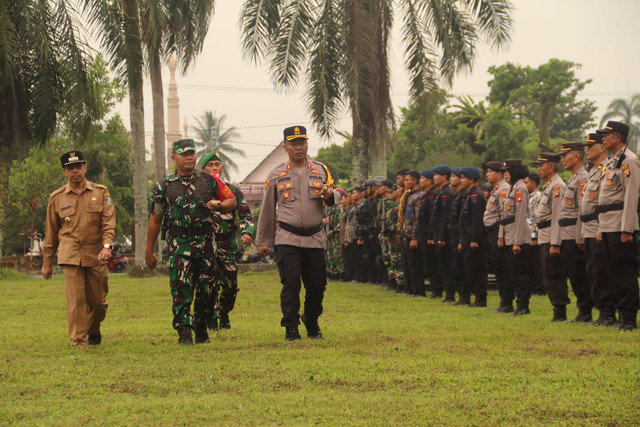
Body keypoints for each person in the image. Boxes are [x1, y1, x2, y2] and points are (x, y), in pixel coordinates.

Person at [146, 139, 236, 345]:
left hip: (205, 242)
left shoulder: (210, 181)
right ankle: (184, 330)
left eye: (192, 153)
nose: (189, 157)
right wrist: (148, 251)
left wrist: (219, 205)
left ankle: (201, 325)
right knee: (181, 287)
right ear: (174, 158)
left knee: (207, 288)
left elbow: (231, 201)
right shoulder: (164, 186)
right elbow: (155, 219)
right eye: (184, 154)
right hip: (179, 244)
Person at [255, 125, 341, 341]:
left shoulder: (320, 170)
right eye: (293, 143)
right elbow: (266, 209)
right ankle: (291, 327)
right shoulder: (276, 175)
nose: (298, 147)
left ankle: (311, 320)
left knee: (317, 286)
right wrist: (263, 241)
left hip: (314, 238)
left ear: (307, 144)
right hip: (287, 237)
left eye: (302, 142)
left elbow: (332, 198)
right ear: (285, 147)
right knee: (291, 283)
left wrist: (330, 194)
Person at [42, 151, 116, 348]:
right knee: (76, 301)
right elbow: (51, 232)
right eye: (70, 168)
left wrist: (107, 246)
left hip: (96, 253)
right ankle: (79, 341)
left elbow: (108, 222)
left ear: (85, 168)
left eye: (78, 166)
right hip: (70, 254)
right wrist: (47, 263)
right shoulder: (56, 198)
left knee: (99, 302)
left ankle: (93, 328)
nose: (75, 171)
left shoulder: (101, 192)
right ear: (64, 171)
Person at [201, 152, 256, 330]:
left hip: (227, 244)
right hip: (205, 243)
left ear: (222, 168)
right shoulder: (199, 192)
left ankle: (224, 311)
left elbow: (246, 213)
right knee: (208, 283)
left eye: (217, 164)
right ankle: (212, 317)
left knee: (230, 285)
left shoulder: (232, 191)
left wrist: (247, 232)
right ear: (203, 170)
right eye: (210, 165)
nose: (214, 168)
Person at [595, 121, 640, 330]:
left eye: (607, 135)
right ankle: (619, 313)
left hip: (620, 226)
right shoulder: (613, 161)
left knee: (624, 271)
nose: (603, 139)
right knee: (611, 271)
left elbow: (631, 196)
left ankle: (629, 317)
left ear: (618, 137)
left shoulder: (629, 160)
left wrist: (627, 228)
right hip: (607, 225)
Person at [556, 142, 591, 322]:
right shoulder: (573, 177)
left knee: (579, 273)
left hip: (575, 233)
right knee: (573, 273)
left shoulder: (583, 178)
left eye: (565, 155)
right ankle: (583, 309)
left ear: (576, 157)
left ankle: (585, 311)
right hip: (566, 233)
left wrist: (580, 235)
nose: (562, 159)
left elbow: (582, 210)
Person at [579, 133, 610, 325]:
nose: (587, 150)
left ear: (603, 147)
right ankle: (602, 311)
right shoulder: (592, 171)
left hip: (601, 226)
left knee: (602, 270)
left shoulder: (608, 168)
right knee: (592, 271)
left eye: (592, 146)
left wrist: (600, 229)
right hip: (589, 227)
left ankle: (608, 312)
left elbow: (603, 204)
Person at [533, 152, 568, 322]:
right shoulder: (548, 186)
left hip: (551, 237)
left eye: (541, 165)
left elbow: (557, 216)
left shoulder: (557, 186)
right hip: (544, 235)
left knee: (554, 273)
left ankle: (560, 310)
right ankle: (556, 307)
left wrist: (556, 242)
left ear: (551, 166)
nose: (538, 169)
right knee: (547, 273)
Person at [498, 163, 532, 315]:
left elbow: (520, 216)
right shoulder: (513, 188)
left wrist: (517, 241)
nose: (505, 174)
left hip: (517, 237)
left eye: (508, 171)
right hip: (509, 235)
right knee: (512, 272)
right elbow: (504, 216)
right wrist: (501, 236)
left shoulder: (520, 188)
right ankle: (517, 304)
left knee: (520, 274)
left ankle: (523, 306)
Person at [484, 161, 511, 312]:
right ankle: (504, 301)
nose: (487, 174)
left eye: (490, 172)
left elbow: (503, 215)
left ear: (499, 174)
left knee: (502, 267)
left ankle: (506, 302)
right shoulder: (497, 189)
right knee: (498, 267)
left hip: (498, 231)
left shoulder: (504, 189)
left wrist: (500, 235)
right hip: (492, 231)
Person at [458, 167, 487, 306]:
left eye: (463, 177)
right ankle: (474, 297)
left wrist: (474, 239)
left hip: (474, 239)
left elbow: (476, 219)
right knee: (469, 267)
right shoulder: (469, 195)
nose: (461, 180)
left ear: (471, 179)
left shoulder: (476, 196)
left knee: (477, 268)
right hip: (467, 237)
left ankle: (480, 299)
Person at [429, 165, 455, 302]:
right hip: (438, 233)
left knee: (446, 265)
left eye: (436, 175)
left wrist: (442, 237)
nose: (434, 178)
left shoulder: (446, 193)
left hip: (443, 235)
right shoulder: (441, 192)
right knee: (442, 265)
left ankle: (450, 294)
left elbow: (445, 217)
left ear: (444, 176)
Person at [402, 171, 426, 296]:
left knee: (416, 264)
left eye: (407, 180)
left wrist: (414, 237)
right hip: (407, 233)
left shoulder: (419, 196)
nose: (405, 182)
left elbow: (417, 218)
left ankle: (419, 290)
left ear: (415, 181)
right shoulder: (409, 195)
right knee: (408, 264)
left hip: (414, 235)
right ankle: (411, 288)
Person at [524, 173, 544, 296]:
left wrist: (535, 236)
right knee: (529, 263)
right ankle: (532, 287)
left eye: (527, 182)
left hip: (534, 234)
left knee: (536, 263)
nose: (525, 185)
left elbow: (537, 217)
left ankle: (539, 288)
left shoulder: (537, 197)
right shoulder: (529, 196)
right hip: (527, 233)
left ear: (534, 184)